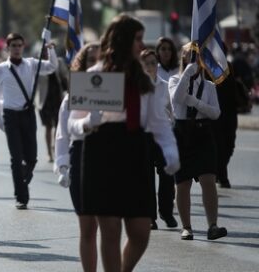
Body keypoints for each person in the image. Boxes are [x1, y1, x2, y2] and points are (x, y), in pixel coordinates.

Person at [72, 14, 179, 272]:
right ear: (123, 40)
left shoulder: (143, 78)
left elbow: (158, 122)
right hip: (101, 150)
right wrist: (88, 122)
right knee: (110, 230)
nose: (142, 45)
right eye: (138, 39)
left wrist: (170, 149)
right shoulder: (93, 75)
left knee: (141, 230)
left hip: (135, 150)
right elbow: (71, 124)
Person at [0, 32, 58, 209]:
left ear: (23, 47)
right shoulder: (0, 69)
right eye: (13, 45)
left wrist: (49, 46)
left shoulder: (31, 64)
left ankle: (23, 178)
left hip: (28, 114)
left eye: (19, 45)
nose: (17, 49)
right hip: (10, 115)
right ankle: (21, 196)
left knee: (32, 158)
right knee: (16, 157)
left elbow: (51, 66)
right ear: (7, 48)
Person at [169, 43, 227, 241]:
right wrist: (186, 74)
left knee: (208, 181)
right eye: (188, 55)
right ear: (183, 58)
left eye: (196, 56)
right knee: (182, 184)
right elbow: (176, 99)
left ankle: (213, 225)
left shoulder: (209, 86)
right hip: (182, 134)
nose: (193, 58)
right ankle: (187, 227)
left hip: (202, 134)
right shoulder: (175, 79)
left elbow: (216, 113)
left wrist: (195, 103)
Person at [54, 42, 99, 272]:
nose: (96, 66)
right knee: (88, 227)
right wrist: (62, 165)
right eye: (91, 61)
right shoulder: (73, 95)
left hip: (109, 157)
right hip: (81, 156)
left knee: (111, 227)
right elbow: (63, 133)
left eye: (100, 61)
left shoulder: (119, 92)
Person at [139, 49, 177, 229]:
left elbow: (172, 110)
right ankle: (149, 216)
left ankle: (167, 211)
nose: (150, 66)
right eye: (146, 63)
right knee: (146, 177)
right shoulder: (136, 86)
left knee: (167, 175)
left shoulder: (164, 85)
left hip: (161, 134)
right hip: (143, 135)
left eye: (153, 63)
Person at [36, 50, 69, 163]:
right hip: (45, 99)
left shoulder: (59, 62)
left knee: (57, 126)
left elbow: (65, 76)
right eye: (44, 53)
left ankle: (55, 147)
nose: (46, 54)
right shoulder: (38, 64)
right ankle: (49, 153)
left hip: (57, 97)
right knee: (48, 127)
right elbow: (34, 83)